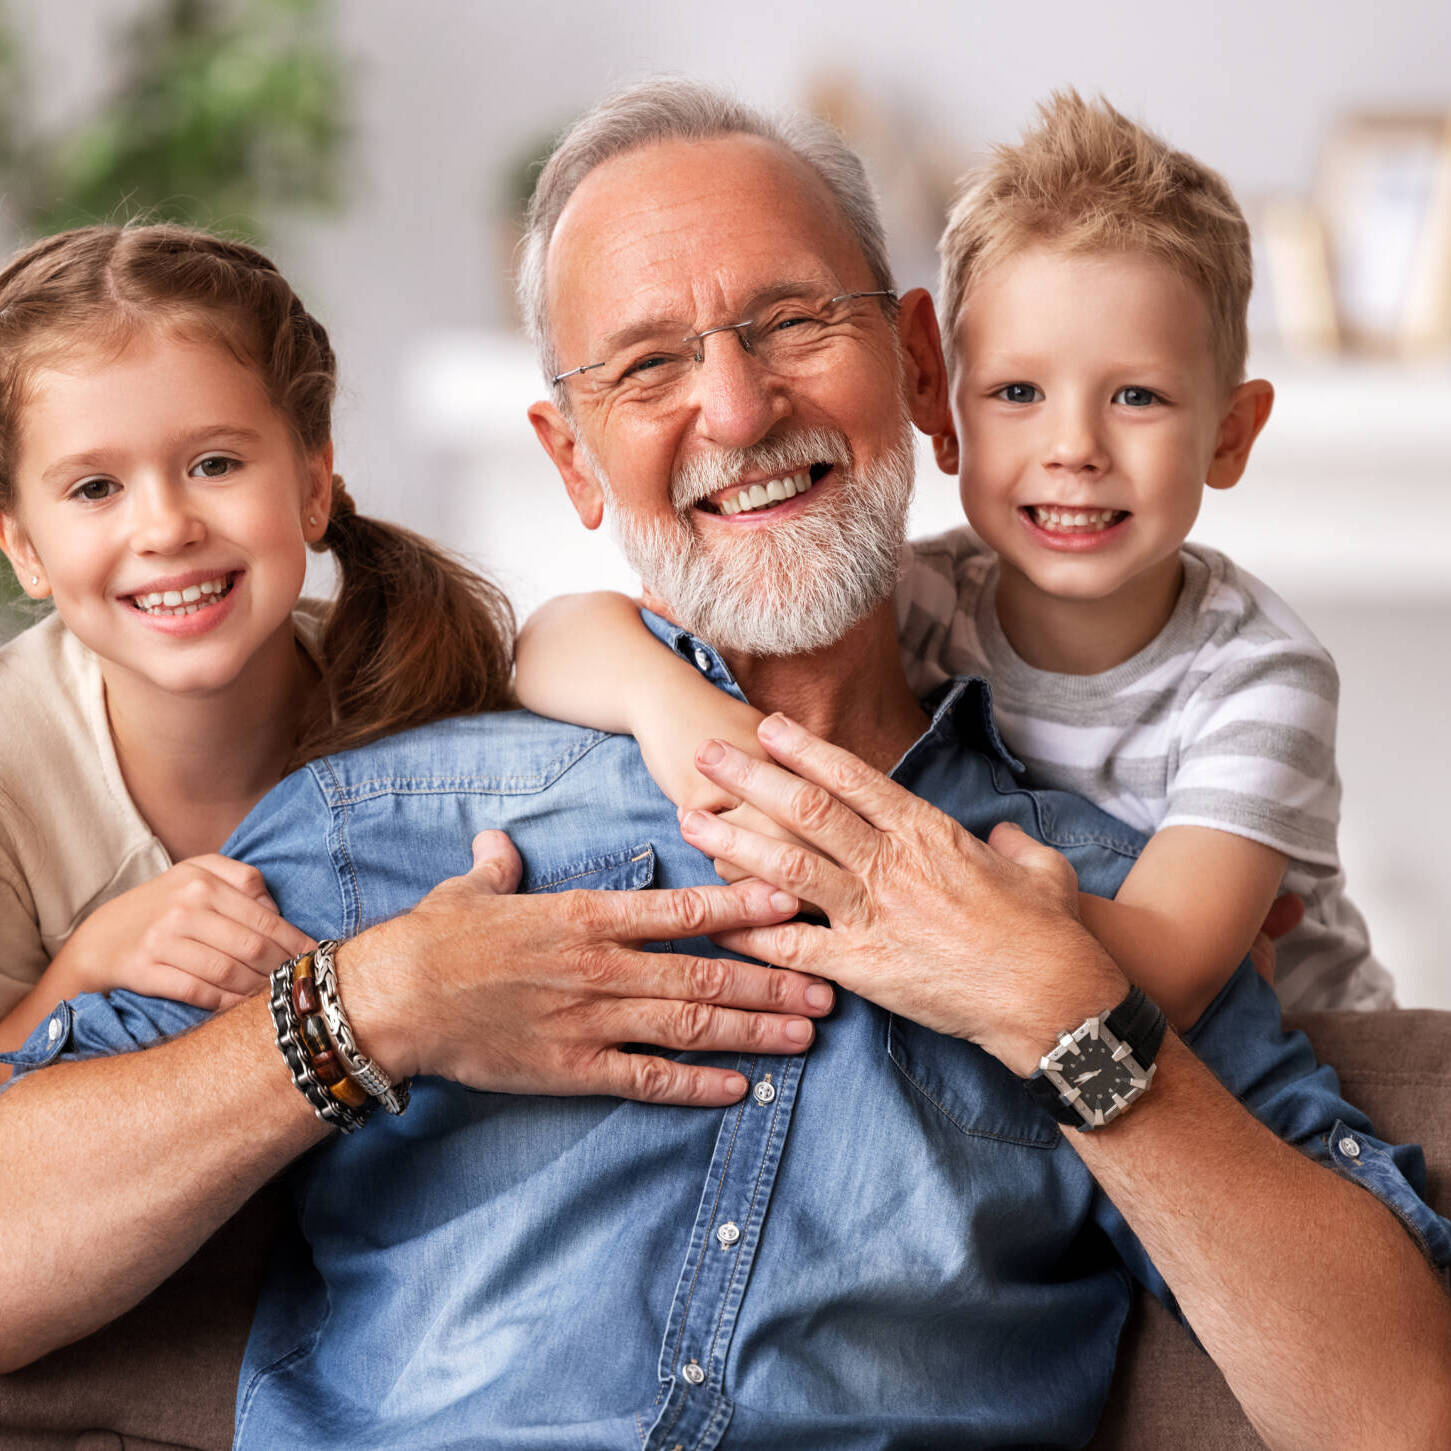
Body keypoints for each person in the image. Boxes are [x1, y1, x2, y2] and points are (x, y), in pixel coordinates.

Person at [2, 80, 1449, 1451]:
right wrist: (377, 1004)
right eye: (647, 366)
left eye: (791, 322)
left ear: (915, 361)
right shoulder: (383, 818)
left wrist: (1062, 1013)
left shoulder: (1087, 897)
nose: (740, 409)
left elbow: (1402, 1407)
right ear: (571, 459)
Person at [513, 90, 1390, 1033]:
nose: (1073, 448)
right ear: (942, 399)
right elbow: (550, 641)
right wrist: (672, 710)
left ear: (1230, 435)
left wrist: (897, 887)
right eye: (1018, 390)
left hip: (1307, 1058)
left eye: (1136, 395)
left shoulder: (1258, 682)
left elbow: (1165, 977)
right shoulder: (928, 594)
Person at [0, 223, 515, 1070]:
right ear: (24, 548)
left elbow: (573, 648)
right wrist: (85, 965)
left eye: (214, 464)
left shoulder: (408, 675)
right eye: (96, 487)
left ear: (312, 487)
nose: (165, 527)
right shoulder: (17, 776)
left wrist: (663, 699)